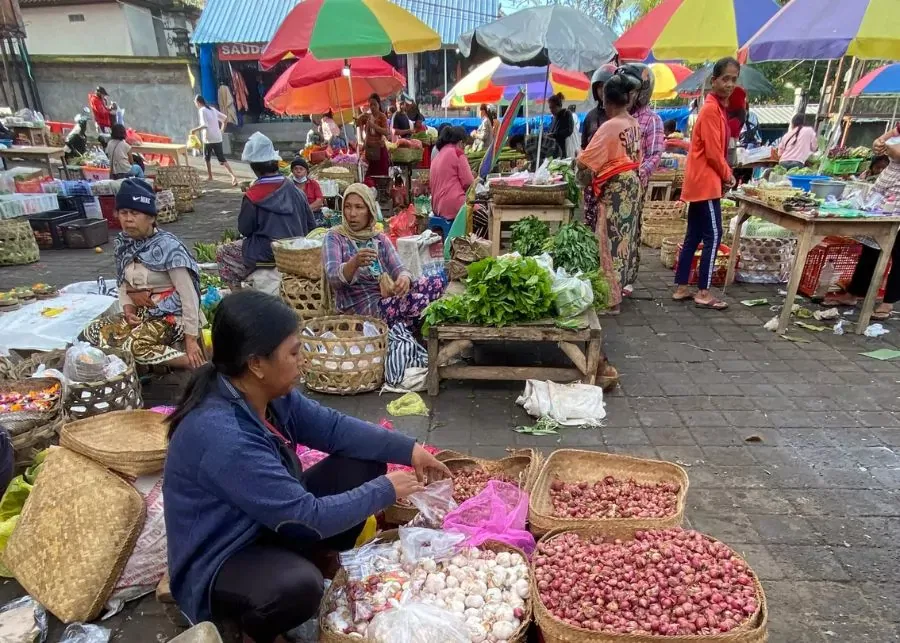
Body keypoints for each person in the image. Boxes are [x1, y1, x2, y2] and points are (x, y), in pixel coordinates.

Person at [164, 289, 450, 642]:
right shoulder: (223, 436)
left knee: (363, 462)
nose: (302, 360)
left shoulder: (267, 396)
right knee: (299, 587)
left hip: (267, 520)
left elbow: (334, 428)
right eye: (294, 352)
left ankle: (315, 557)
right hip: (224, 554)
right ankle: (250, 627)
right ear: (256, 364)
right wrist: (386, 490)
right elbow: (306, 516)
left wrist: (409, 450)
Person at [83, 179, 204, 369]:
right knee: (93, 331)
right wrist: (128, 311)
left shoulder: (169, 247)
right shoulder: (123, 243)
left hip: (173, 316)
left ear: (151, 218)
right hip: (142, 313)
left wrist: (191, 339)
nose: (128, 219)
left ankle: (194, 364)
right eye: (123, 213)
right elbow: (122, 282)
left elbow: (189, 296)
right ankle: (134, 369)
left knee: (135, 345)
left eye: (135, 213)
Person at [324, 184, 445, 328]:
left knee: (437, 282)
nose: (352, 213)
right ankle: (404, 331)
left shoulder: (378, 238)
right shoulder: (335, 237)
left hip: (385, 297)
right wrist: (354, 263)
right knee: (418, 302)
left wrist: (404, 278)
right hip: (359, 308)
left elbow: (400, 268)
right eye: (348, 207)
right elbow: (333, 278)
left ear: (370, 211)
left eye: (359, 207)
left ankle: (403, 327)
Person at [672, 57, 739, 311]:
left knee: (694, 236)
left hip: (700, 182)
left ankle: (681, 287)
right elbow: (713, 152)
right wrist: (728, 175)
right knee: (713, 236)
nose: (729, 84)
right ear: (714, 81)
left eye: (733, 79)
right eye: (725, 79)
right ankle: (703, 291)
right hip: (706, 183)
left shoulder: (716, 109)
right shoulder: (711, 110)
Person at [216, 133, 317, 292]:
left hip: (267, 250)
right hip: (297, 246)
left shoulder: (252, 196)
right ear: (275, 163)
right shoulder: (296, 190)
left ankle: (238, 297)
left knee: (223, 252)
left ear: (254, 167)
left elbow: (245, 229)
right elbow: (312, 225)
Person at [577, 73, 643, 314]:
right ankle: (620, 288)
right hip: (632, 186)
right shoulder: (633, 123)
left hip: (616, 189)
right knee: (625, 240)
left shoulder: (610, 126)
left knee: (609, 240)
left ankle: (610, 300)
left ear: (606, 100)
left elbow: (586, 162)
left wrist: (578, 161)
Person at [824, 129, 900, 319]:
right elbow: (891, 134)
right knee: (871, 244)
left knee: (898, 251)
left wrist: (887, 148)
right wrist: (880, 140)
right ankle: (853, 293)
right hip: (888, 185)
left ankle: (888, 302)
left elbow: (897, 152)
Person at [619, 63, 665, 192]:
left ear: (643, 91)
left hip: (634, 187)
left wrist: (636, 176)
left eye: (631, 91)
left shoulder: (652, 120)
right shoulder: (617, 117)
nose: (626, 95)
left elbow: (654, 155)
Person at [191, 95, 238, 186]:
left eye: (195, 103)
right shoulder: (212, 109)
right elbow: (225, 119)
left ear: (198, 103)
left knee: (207, 158)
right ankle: (233, 176)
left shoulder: (202, 110)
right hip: (217, 137)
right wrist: (221, 131)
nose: (196, 105)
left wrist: (194, 130)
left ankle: (210, 176)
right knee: (222, 159)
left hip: (208, 139)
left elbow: (205, 125)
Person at [430, 126, 474, 221]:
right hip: (453, 205)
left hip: (436, 206)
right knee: (485, 217)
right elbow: (469, 183)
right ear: (461, 142)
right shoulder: (457, 152)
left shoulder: (438, 155)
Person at [581, 65, 617, 152]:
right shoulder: (590, 117)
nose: (603, 90)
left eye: (607, 86)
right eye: (600, 86)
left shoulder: (624, 115)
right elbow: (584, 146)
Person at [361, 94, 390, 181]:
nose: (373, 107)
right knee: (370, 178)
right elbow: (365, 132)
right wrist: (364, 145)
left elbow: (386, 132)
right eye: (371, 105)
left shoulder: (382, 116)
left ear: (379, 104)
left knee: (381, 177)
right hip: (371, 151)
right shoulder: (368, 117)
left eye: (374, 104)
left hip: (380, 151)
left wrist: (374, 126)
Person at [289, 157, 325, 225]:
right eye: (295, 168)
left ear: (306, 171)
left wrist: (305, 210)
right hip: (294, 216)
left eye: (301, 169)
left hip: (313, 215)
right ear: (292, 171)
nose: (298, 171)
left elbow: (319, 201)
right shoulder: (288, 185)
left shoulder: (313, 184)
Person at [548, 93, 575, 158]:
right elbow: (552, 131)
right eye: (550, 108)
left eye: (553, 107)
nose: (551, 110)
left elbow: (569, 130)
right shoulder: (554, 117)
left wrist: (554, 135)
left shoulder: (566, 114)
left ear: (559, 106)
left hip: (564, 149)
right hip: (554, 150)